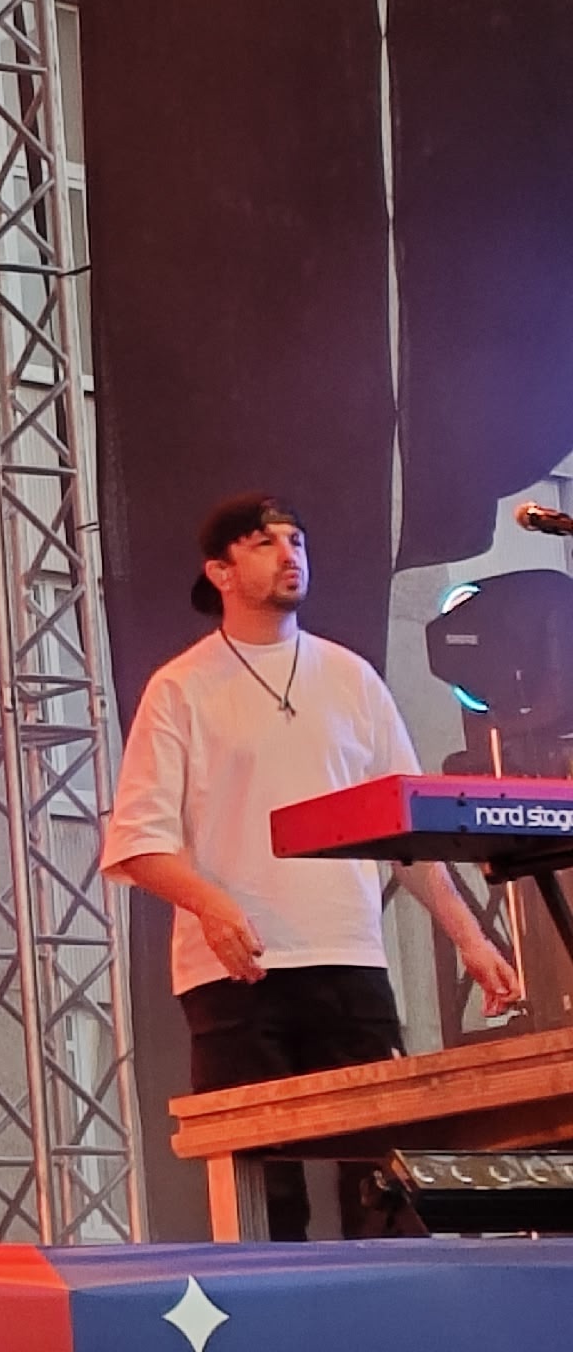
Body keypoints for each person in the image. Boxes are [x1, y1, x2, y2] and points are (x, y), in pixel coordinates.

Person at [103, 493, 521, 1240]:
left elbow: (405, 836)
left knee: (386, 1180)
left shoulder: (351, 677)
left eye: (296, 540)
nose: (289, 555)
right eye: (264, 542)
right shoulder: (180, 687)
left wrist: (472, 939)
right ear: (220, 571)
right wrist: (212, 905)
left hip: (348, 960)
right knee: (268, 1193)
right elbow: (138, 843)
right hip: (234, 978)